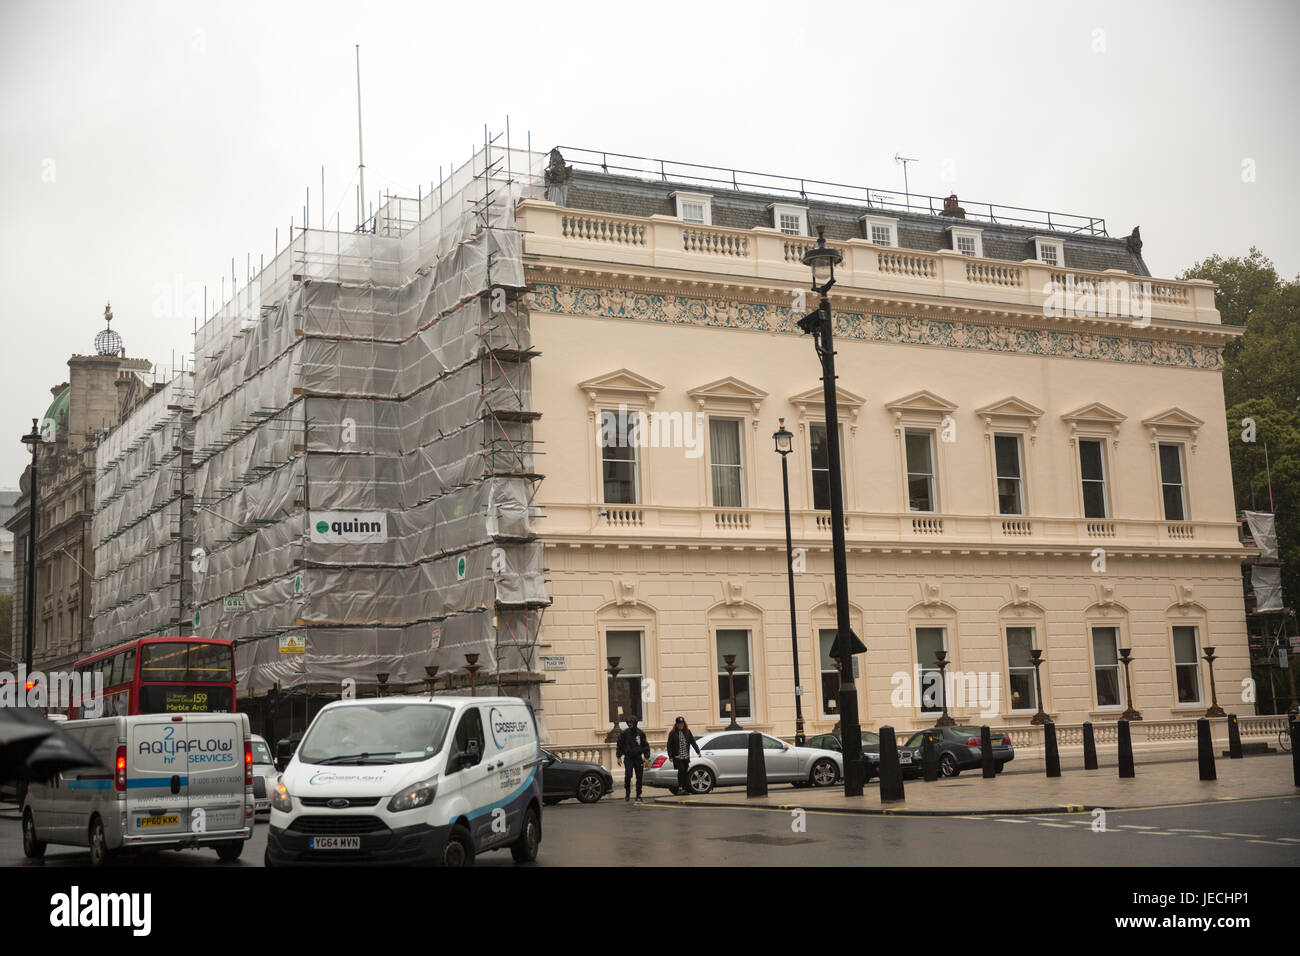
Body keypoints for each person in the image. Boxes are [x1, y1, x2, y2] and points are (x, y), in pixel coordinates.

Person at [615, 714, 650, 802]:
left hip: (638, 758)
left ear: (635, 723)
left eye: (631, 722)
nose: (629, 724)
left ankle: (638, 795)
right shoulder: (624, 733)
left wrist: (646, 758)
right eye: (628, 723)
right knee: (628, 776)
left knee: (639, 777)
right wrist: (618, 757)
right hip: (628, 758)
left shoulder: (640, 733)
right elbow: (620, 746)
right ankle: (627, 793)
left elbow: (645, 746)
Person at [666, 716, 701, 795]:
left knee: (685, 772)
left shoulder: (687, 732)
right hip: (678, 756)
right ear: (676, 724)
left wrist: (698, 751)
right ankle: (680, 788)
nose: (680, 725)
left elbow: (693, 742)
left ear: (684, 724)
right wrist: (670, 756)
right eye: (679, 724)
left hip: (685, 756)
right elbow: (669, 745)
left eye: (682, 724)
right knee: (681, 771)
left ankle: (684, 788)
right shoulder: (673, 733)